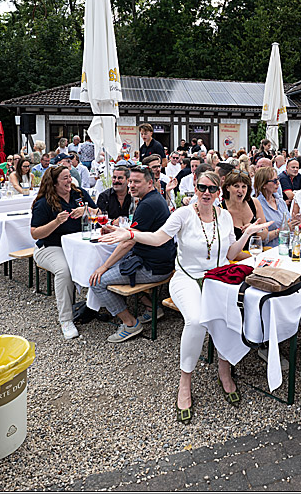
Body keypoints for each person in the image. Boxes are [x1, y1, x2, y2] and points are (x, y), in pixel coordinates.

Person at [101, 170, 269, 422]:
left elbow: (231, 252)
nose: (206, 192)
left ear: (218, 192)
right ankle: (185, 381)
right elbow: (158, 239)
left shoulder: (224, 217)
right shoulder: (183, 215)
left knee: (228, 316)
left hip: (217, 278)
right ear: (195, 187)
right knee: (196, 320)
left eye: (212, 189)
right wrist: (131, 234)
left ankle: (225, 370)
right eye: (202, 187)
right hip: (186, 278)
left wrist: (247, 234)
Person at [89, 166, 176, 343]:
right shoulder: (153, 198)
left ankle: (130, 323)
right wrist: (120, 231)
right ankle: (152, 308)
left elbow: (129, 241)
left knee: (97, 281)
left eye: (136, 182)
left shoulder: (148, 204)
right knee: (111, 266)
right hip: (161, 261)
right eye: (130, 181)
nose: (131, 186)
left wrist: (104, 267)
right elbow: (136, 232)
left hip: (154, 267)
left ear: (150, 183)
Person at [30, 165, 94, 339]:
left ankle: (94, 306)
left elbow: (99, 212)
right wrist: (56, 222)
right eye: (65, 178)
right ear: (55, 182)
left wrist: (87, 210)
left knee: (100, 262)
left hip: (79, 246)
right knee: (64, 271)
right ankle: (66, 319)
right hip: (50, 247)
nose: (69, 180)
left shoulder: (79, 194)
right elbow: (35, 232)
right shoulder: (44, 203)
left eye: (70, 177)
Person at [221, 169, 271, 252]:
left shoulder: (254, 203)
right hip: (235, 259)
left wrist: (256, 229)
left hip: (256, 252)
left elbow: (265, 235)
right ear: (227, 188)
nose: (240, 191)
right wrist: (253, 258)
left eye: (244, 186)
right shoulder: (221, 210)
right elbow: (227, 251)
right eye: (236, 186)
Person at [254, 167, 296, 248]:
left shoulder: (280, 201)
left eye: (278, 179)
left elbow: (289, 225)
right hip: (269, 250)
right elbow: (262, 238)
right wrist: (281, 230)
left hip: (286, 246)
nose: (278, 183)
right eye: (274, 181)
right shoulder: (258, 205)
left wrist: (295, 221)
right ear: (263, 185)